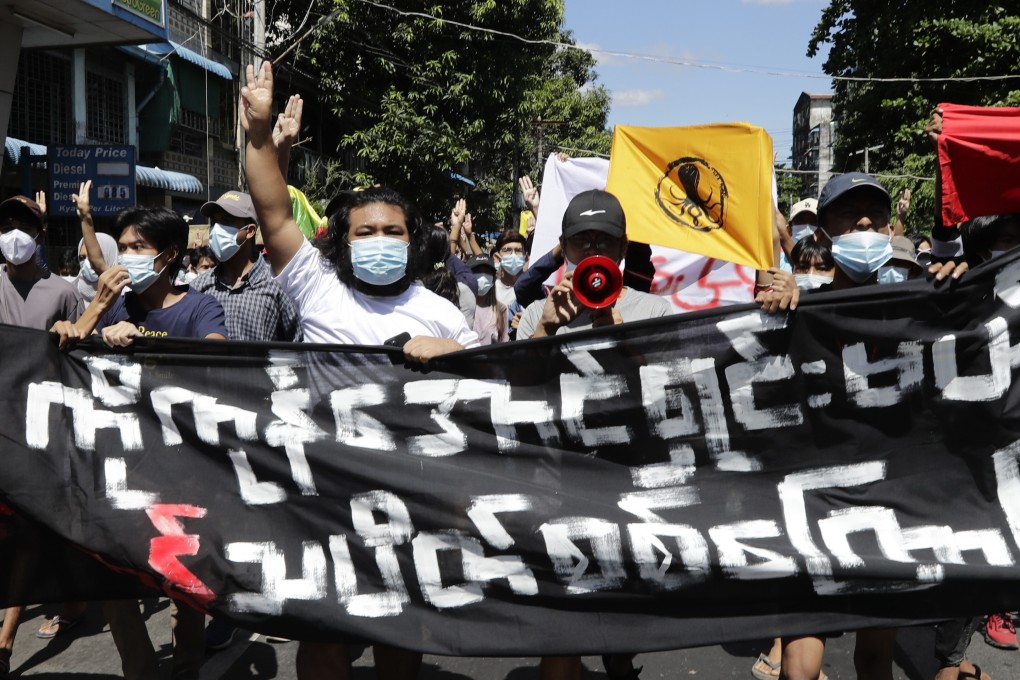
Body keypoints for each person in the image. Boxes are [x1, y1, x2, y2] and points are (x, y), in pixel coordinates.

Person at [241, 59, 478, 680]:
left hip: (415, 491)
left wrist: (453, 355)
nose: (379, 239)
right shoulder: (317, 288)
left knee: (403, 628)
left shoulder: (442, 313)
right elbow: (271, 209)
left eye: (392, 231)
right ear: (342, 240)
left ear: (413, 240)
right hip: (324, 486)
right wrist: (259, 136)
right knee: (325, 630)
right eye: (366, 230)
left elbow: (490, 389)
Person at [50, 205, 227, 680]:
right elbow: (61, 350)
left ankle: (187, 668)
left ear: (169, 257)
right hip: (118, 469)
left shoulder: (199, 307)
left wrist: (146, 347)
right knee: (113, 581)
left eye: (137, 248)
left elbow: (216, 359)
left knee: (184, 585)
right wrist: (96, 316)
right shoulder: (114, 306)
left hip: (180, 471)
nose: (126, 256)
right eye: (122, 247)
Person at [0, 193, 80, 680]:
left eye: (23, 224)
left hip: (41, 430)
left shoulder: (62, 293)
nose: (12, 233)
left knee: (30, 529)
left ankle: (5, 639)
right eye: (5, 223)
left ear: (41, 235)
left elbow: (86, 350)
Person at [516, 189, 671, 341]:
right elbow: (522, 367)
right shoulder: (537, 315)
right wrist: (546, 329)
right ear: (563, 246)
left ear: (623, 247)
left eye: (605, 242)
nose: (592, 251)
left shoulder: (655, 312)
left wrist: (626, 344)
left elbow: (672, 366)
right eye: (581, 241)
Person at [191, 190, 301, 344]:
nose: (217, 229)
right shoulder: (198, 288)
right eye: (215, 222)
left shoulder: (277, 286)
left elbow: (297, 346)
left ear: (250, 231)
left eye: (227, 221)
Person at [467, 254, 509, 345]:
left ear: (493, 278)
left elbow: (504, 346)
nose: (482, 276)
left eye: (487, 272)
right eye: (477, 271)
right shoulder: (460, 306)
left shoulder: (501, 309)